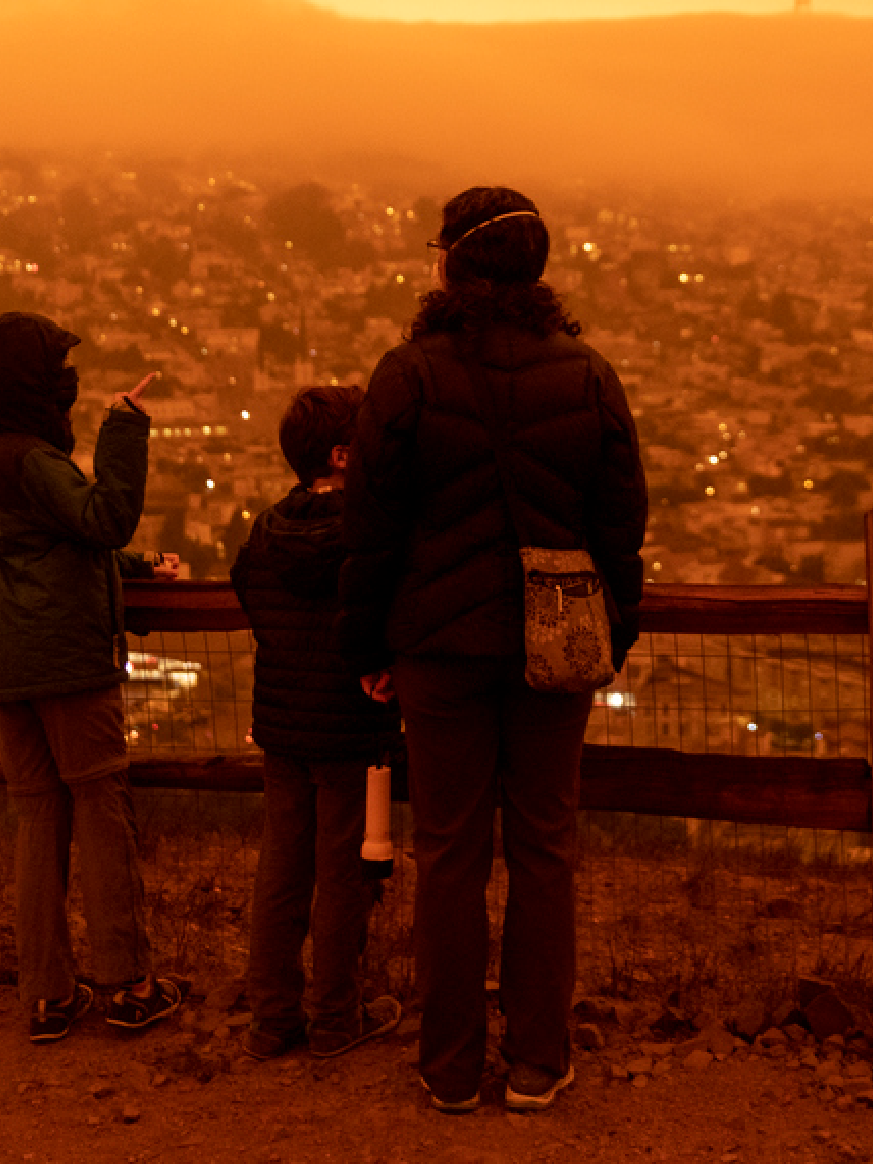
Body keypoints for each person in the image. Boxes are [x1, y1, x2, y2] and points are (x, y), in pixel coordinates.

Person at [337, 186, 648, 1113]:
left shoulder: (408, 375)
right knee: (547, 848)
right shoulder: (588, 375)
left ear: (450, 266)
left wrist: (369, 641)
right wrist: (610, 633)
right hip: (556, 642)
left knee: (452, 852)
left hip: (436, 643)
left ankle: (450, 1064)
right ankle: (539, 1058)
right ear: (536, 270)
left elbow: (372, 529)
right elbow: (621, 526)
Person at [0, 310, 189, 1043]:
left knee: (38, 816)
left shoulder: (1, 456)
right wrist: (124, 428)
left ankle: (47, 993)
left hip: (11, 663)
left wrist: (135, 572)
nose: (68, 382)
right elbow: (107, 516)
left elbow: (52, 547)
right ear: (36, 384)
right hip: (66, 660)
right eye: (57, 368)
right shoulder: (32, 457)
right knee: (100, 807)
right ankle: (129, 981)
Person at [232, 384, 404, 1061]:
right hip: (351, 729)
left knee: (280, 868)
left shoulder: (264, 532)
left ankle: (272, 1016)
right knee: (343, 876)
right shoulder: (366, 540)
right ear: (340, 456)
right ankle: (335, 1014)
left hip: (281, 726)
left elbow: (251, 596)